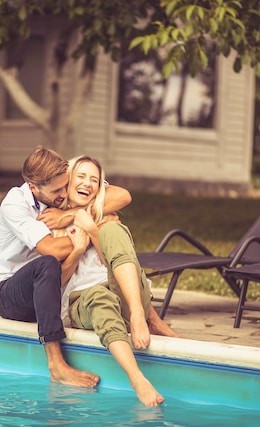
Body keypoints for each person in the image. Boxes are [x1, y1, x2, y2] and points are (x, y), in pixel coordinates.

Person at [0, 146, 132, 389]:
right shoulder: (15, 204)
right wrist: (88, 228)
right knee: (47, 263)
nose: (64, 193)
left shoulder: (58, 190)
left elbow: (121, 195)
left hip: (51, 291)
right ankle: (56, 365)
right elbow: (51, 249)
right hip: (8, 294)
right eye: (57, 191)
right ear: (33, 188)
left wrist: (74, 213)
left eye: (66, 186)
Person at [55, 155, 179, 407]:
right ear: (66, 181)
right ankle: (137, 379)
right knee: (98, 297)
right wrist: (77, 249)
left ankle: (137, 315)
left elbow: (108, 261)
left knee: (113, 230)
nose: (87, 184)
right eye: (80, 177)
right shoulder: (51, 221)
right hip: (84, 301)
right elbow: (54, 281)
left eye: (94, 180)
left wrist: (92, 230)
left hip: (126, 296)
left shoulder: (104, 215)